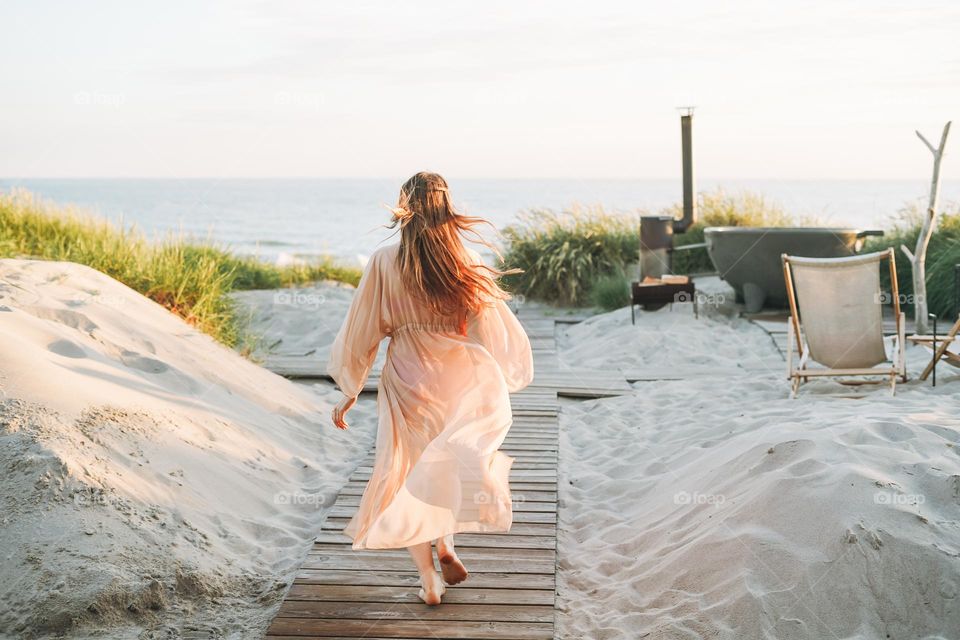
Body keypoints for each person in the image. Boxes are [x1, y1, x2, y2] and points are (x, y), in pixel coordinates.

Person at [327, 171, 534, 605]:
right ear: (446, 206)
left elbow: (362, 329)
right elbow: (489, 325)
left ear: (406, 206)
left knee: (407, 469)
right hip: (456, 373)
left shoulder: (384, 261)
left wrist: (351, 388)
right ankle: (447, 546)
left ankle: (428, 580)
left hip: (407, 376)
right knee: (443, 463)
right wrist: (500, 371)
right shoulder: (464, 259)